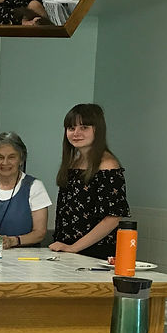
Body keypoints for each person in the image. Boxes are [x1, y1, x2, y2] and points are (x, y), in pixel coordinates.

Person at [50, 104, 130, 259]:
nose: (76, 133)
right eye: (71, 128)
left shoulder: (108, 166)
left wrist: (74, 248)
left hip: (95, 254)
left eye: (84, 127)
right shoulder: (73, 163)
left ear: (97, 130)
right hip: (67, 250)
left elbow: (113, 218)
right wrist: (67, 247)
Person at [0, 132, 51, 248]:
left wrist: (13, 241)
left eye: (11, 157)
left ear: (21, 160)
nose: (5, 163)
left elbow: (39, 233)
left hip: (24, 260)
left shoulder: (34, 187)